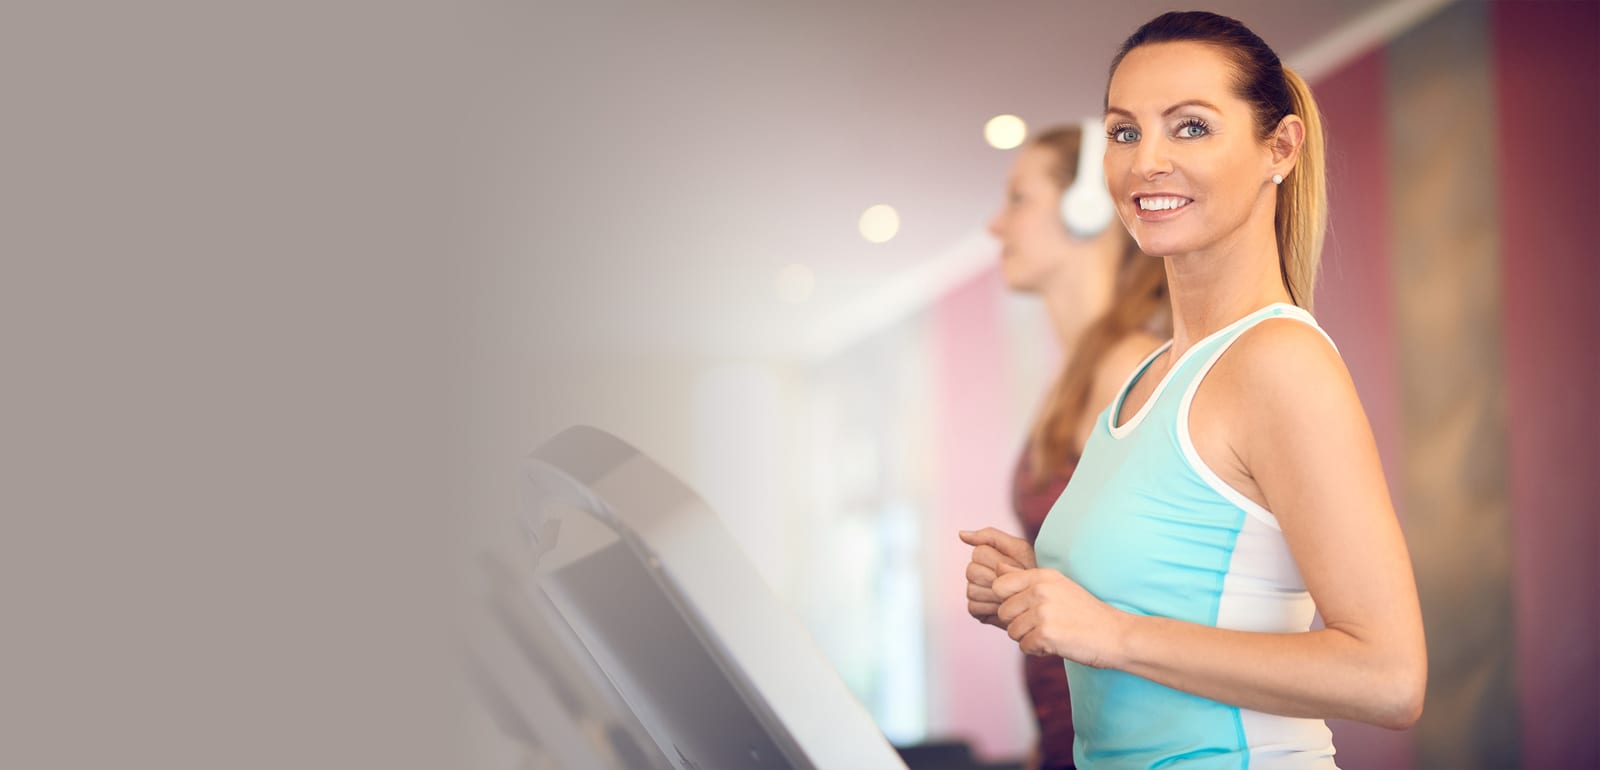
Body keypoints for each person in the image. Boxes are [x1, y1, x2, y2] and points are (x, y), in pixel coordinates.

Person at [960, 11, 1427, 769]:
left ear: (1280, 147)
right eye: (1123, 132)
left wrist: (1108, 633)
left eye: (1190, 128)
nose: (1146, 162)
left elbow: (1389, 678)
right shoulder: (1147, 380)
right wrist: (1036, 590)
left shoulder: (1279, 360)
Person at [971, 120, 1168, 770]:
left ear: (1087, 209)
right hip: (1071, 742)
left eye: (1018, 199)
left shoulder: (1132, 369)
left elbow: (1162, 592)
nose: (996, 226)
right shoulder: (1071, 382)